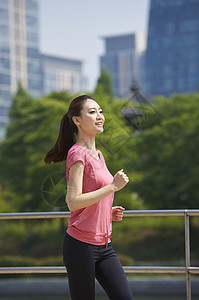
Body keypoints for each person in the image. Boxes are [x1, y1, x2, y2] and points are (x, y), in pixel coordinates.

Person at [44, 95, 133, 300]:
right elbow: (73, 202)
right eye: (92, 112)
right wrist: (112, 187)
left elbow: (90, 196)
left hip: (104, 246)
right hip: (80, 246)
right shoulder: (77, 154)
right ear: (77, 120)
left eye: (100, 111)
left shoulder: (99, 154)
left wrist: (106, 211)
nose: (100, 116)